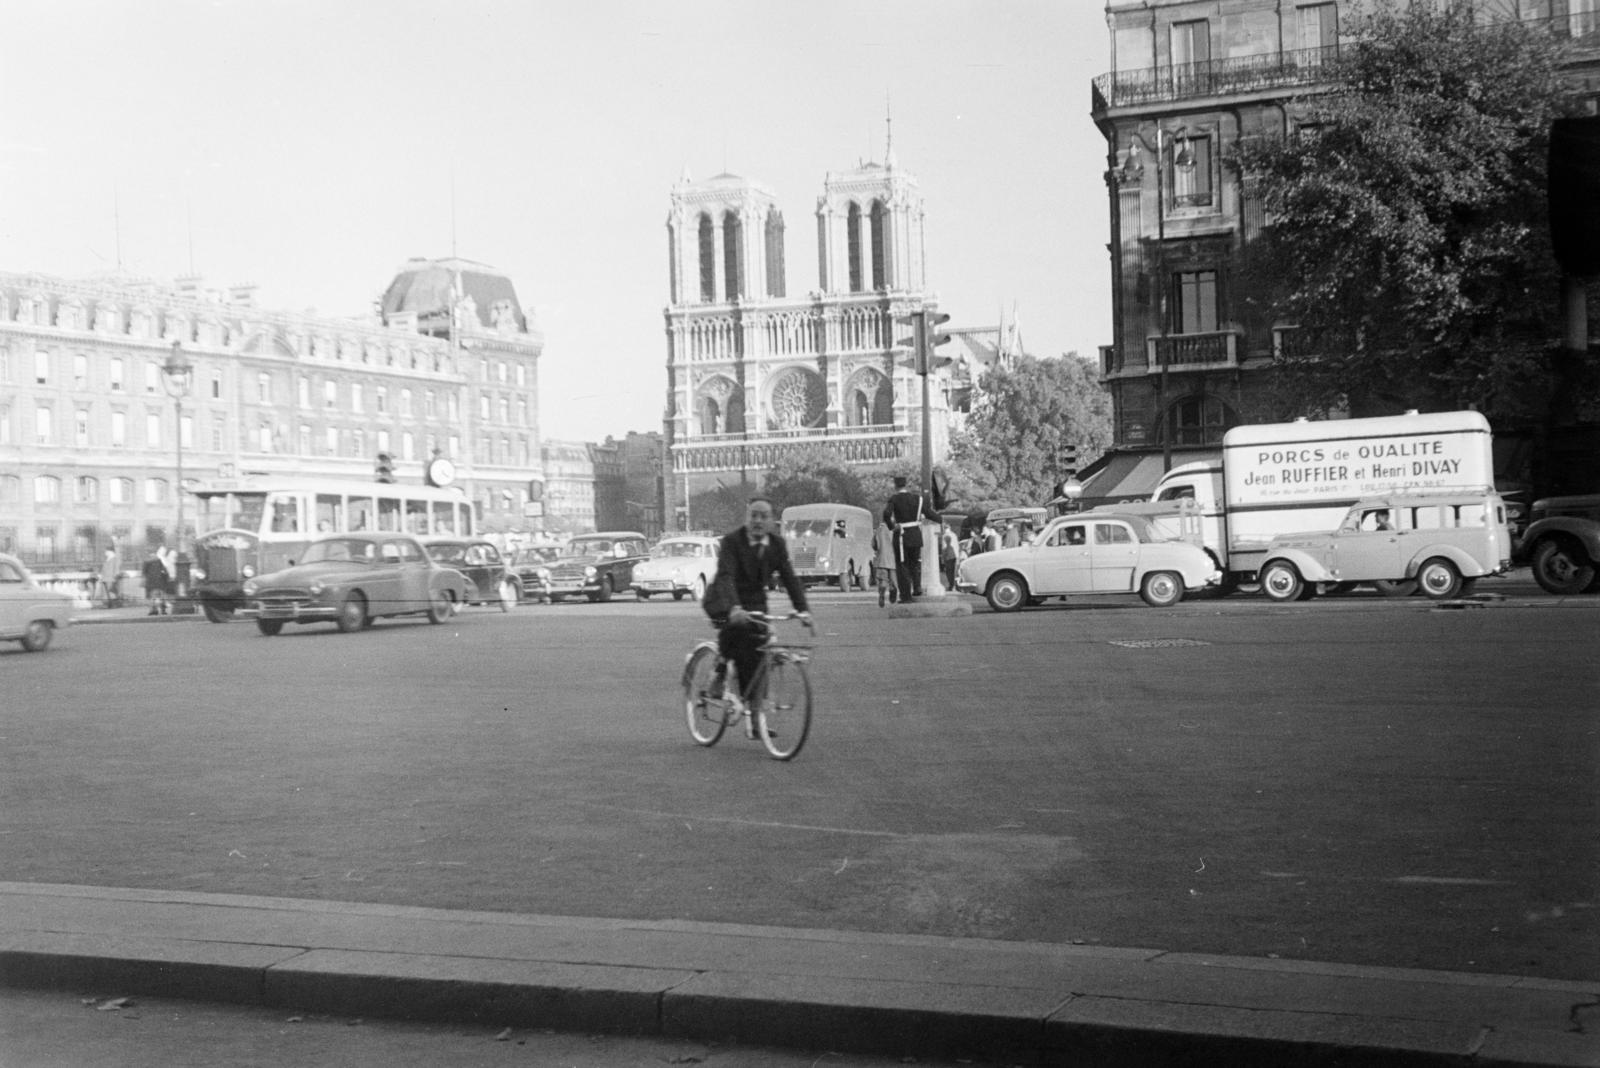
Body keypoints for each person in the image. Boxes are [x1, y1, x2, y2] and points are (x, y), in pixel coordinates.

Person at [704, 497, 812, 726]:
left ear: (772, 520)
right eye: (754, 515)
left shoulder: (777, 545)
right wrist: (734, 607)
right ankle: (720, 672)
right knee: (737, 633)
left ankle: (755, 714)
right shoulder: (732, 542)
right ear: (747, 517)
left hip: (755, 602)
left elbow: (789, 578)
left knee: (760, 649)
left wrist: (803, 611)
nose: (758, 521)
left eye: (764, 516)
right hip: (723, 597)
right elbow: (725, 576)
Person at [883, 476, 938, 603]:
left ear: (896, 486)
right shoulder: (918, 499)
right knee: (915, 563)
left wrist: (892, 526)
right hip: (916, 535)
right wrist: (939, 519)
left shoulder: (894, 499)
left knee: (902, 566)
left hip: (902, 535)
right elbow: (928, 512)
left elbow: (886, 514)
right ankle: (917, 588)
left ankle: (906, 596)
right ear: (906, 485)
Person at [871, 520, 898, 607]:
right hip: (893, 559)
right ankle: (892, 590)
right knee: (893, 580)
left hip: (881, 559)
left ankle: (882, 591)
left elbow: (874, 545)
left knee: (883, 579)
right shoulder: (895, 529)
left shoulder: (878, 530)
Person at [141, 548, 170, 615]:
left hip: (151, 582)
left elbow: (144, 573)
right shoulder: (159, 560)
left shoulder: (146, 561)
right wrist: (166, 578)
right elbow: (164, 571)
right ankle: (163, 610)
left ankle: (154, 610)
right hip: (160, 581)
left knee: (152, 596)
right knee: (162, 596)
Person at [938, 522, 959, 591]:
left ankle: (951, 585)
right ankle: (953, 585)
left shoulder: (945, 536)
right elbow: (957, 546)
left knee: (949, 571)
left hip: (948, 556)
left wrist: (942, 558)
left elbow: (944, 548)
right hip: (954, 555)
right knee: (953, 571)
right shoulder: (954, 535)